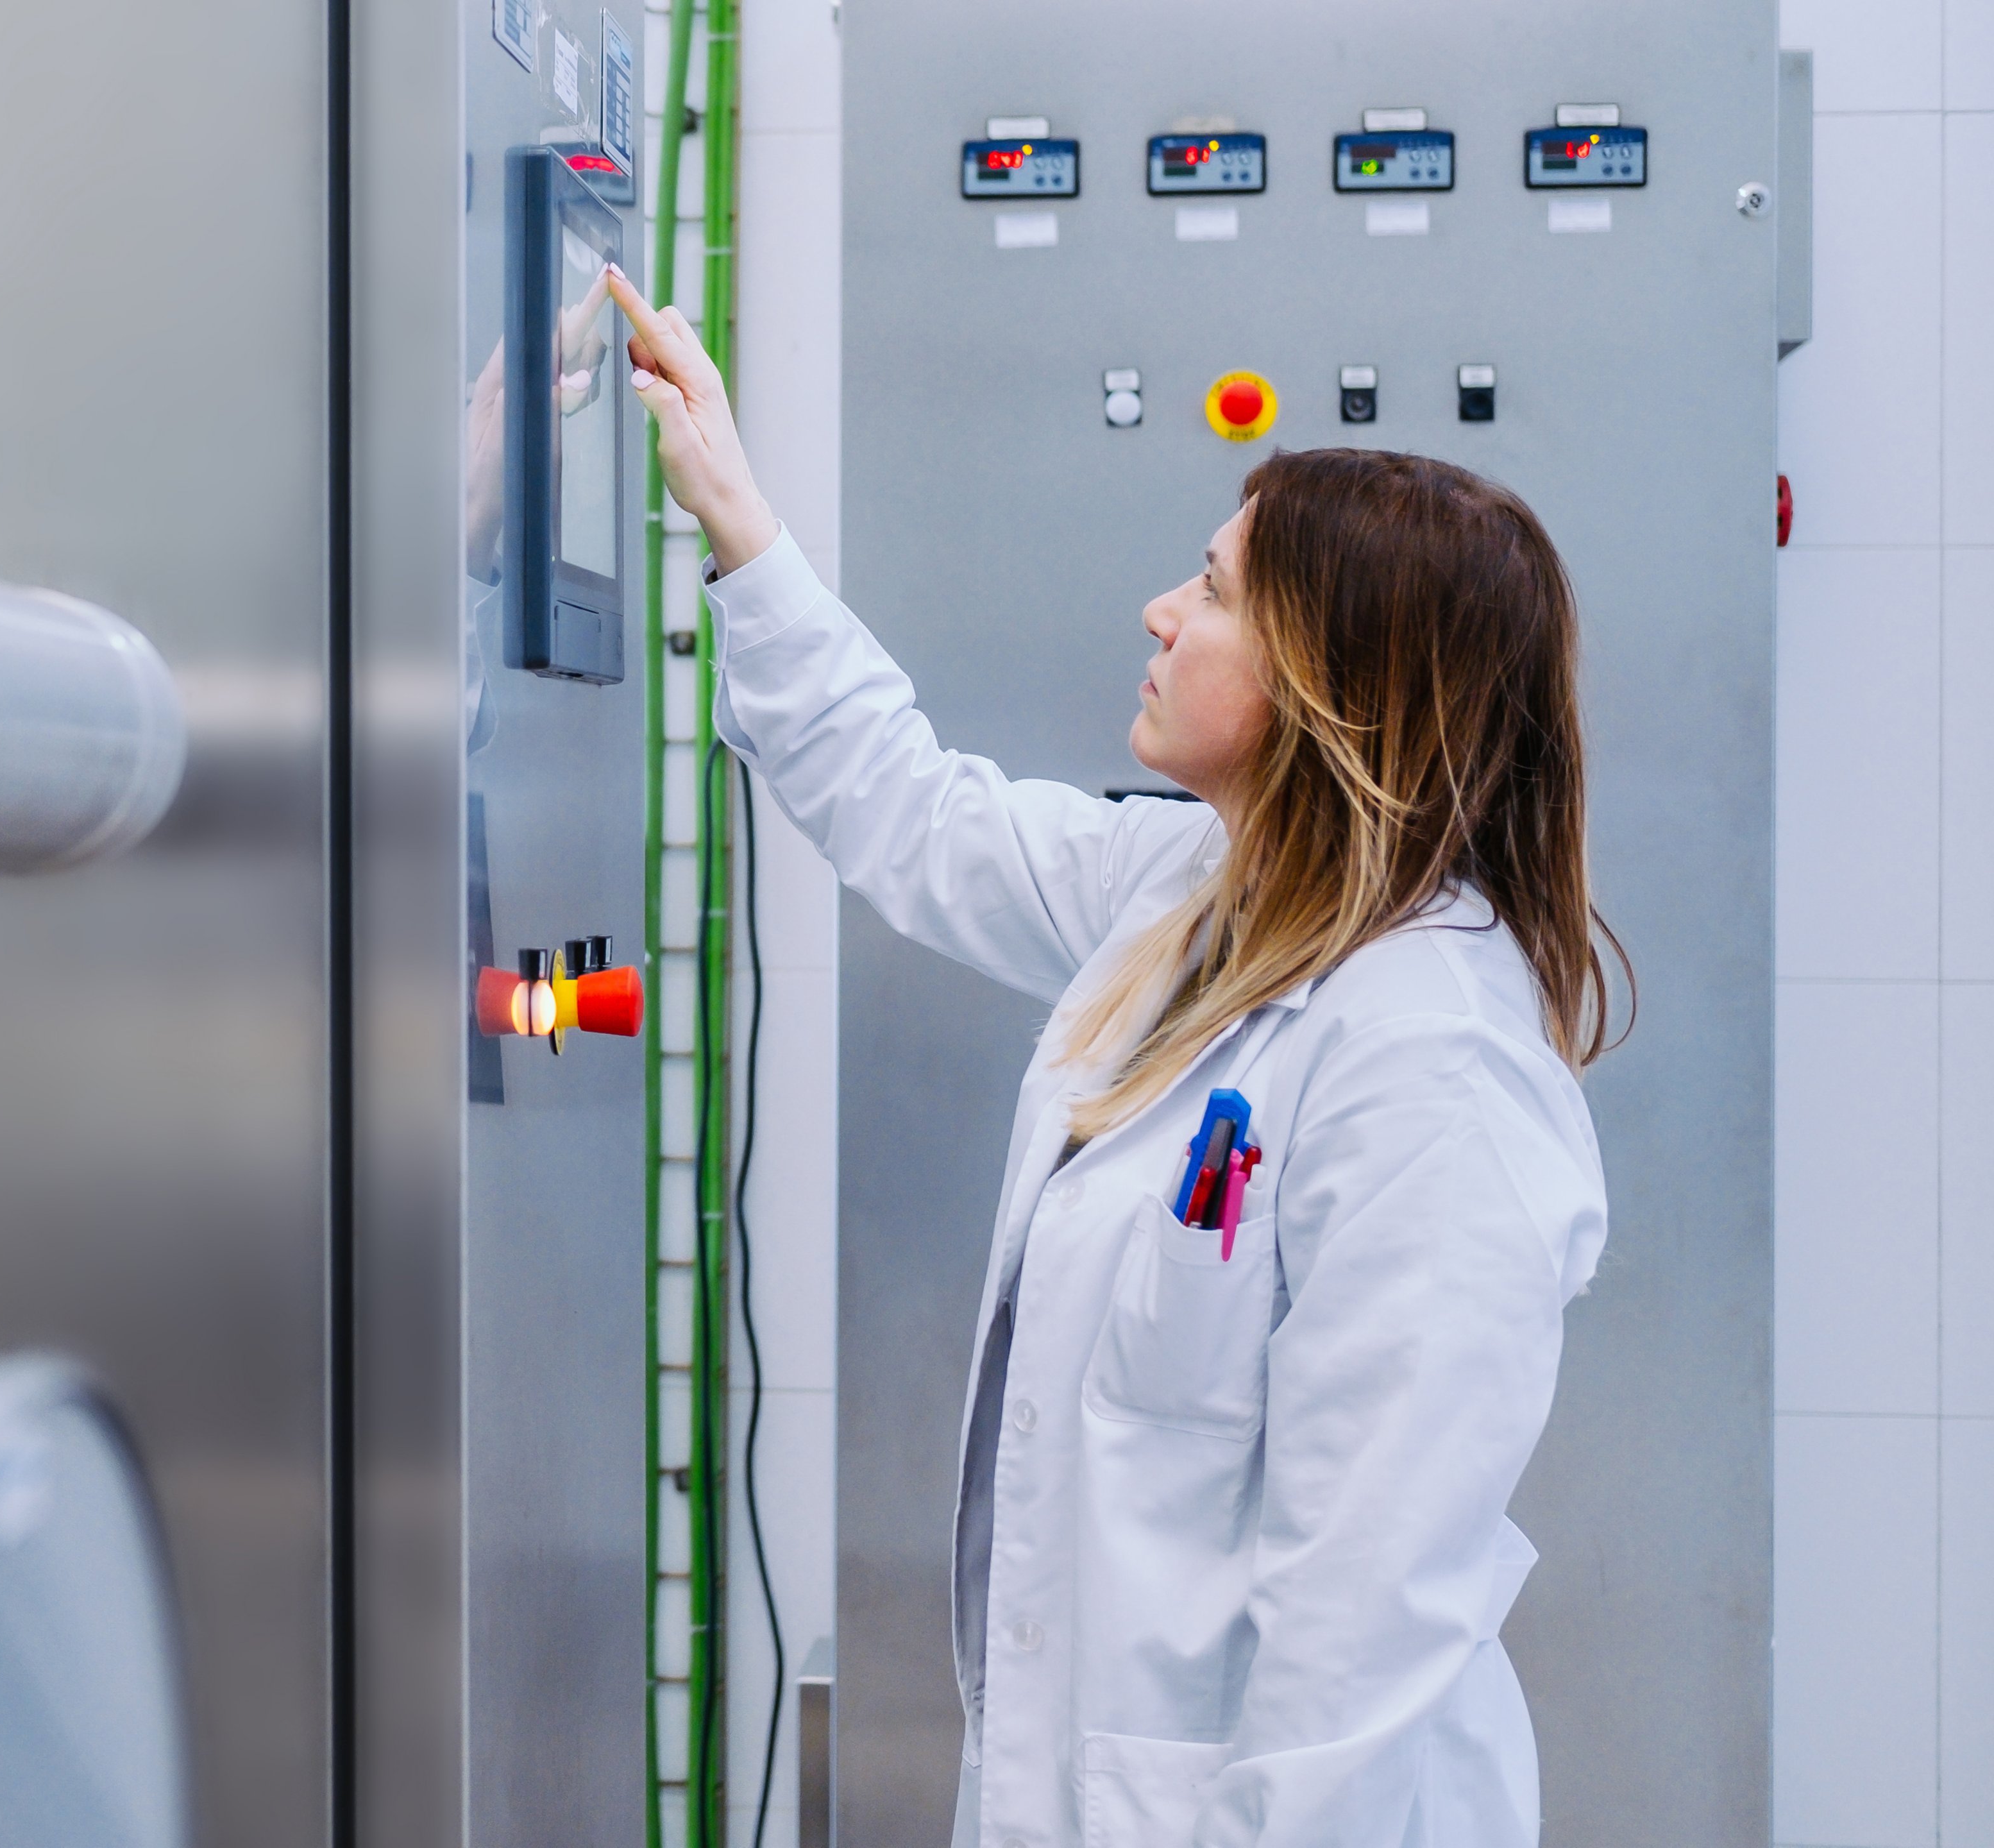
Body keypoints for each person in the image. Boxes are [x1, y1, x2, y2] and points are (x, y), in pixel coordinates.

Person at [604, 266, 1621, 1848]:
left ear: (1330, 687)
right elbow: (913, 812)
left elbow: (1359, 1628)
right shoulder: (1195, 898)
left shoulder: (1431, 1074)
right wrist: (734, 512)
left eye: (1212, 592)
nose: (1160, 610)